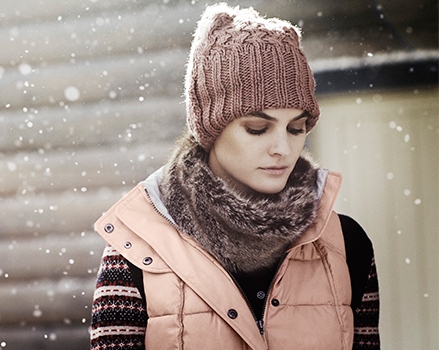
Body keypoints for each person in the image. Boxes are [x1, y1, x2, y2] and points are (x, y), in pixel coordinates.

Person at [90, 4, 379, 350]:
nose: (283, 149)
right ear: (210, 129)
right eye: (258, 128)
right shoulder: (136, 248)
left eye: (297, 127)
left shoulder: (348, 245)